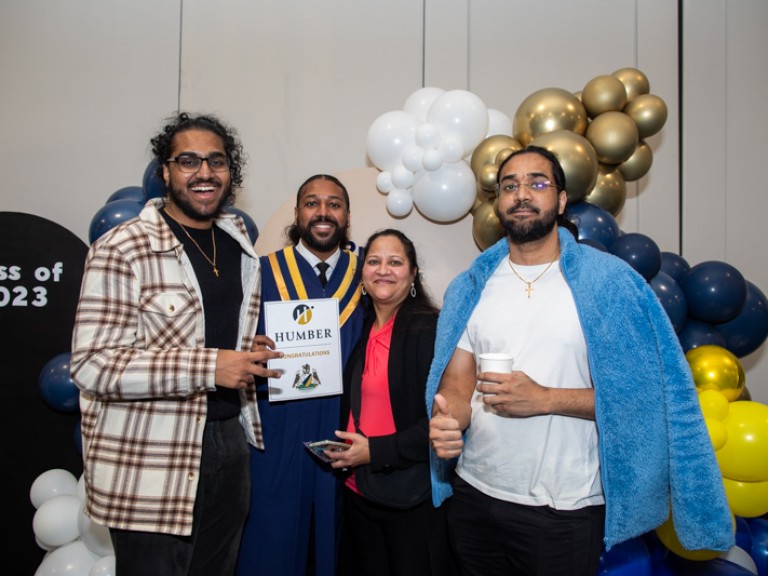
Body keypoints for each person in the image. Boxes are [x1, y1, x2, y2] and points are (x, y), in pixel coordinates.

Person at [426, 145, 734, 575]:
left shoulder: (609, 283)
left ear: (562, 199)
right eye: (510, 185)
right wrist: (448, 421)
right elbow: (458, 386)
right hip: (475, 495)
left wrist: (547, 398)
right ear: (498, 202)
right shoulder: (473, 285)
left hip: (564, 510)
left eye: (538, 183)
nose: (522, 194)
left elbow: (644, 397)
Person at [70, 112, 284, 576]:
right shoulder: (121, 248)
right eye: (188, 161)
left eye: (217, 161)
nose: (205, 173)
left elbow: (210, 327)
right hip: (151, 453)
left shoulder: (238, 240)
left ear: (231, 172)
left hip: (231, 440)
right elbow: (92, 365)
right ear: (165, 172)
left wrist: (246, 348)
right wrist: (209, 368)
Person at [237, 174, 364, 576]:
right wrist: (246, 351)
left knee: (336, 540)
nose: (323, 212)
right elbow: (227, 349)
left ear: (346, 215)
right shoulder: (259, 272)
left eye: (334, 204)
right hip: (277, 426)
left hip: (344, 430)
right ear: (296, 213)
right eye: (312, 203)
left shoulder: (368, 276)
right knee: (271, 538)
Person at [325, 229, 456, 576]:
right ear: (362, 273)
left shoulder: (429, 329)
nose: (383, 270)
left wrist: (374, 452)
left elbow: (442, 423)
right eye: (374, 261)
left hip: (409, 498)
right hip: (357, 493)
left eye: (395, 262)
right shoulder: (359, 328)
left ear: (413, 274)